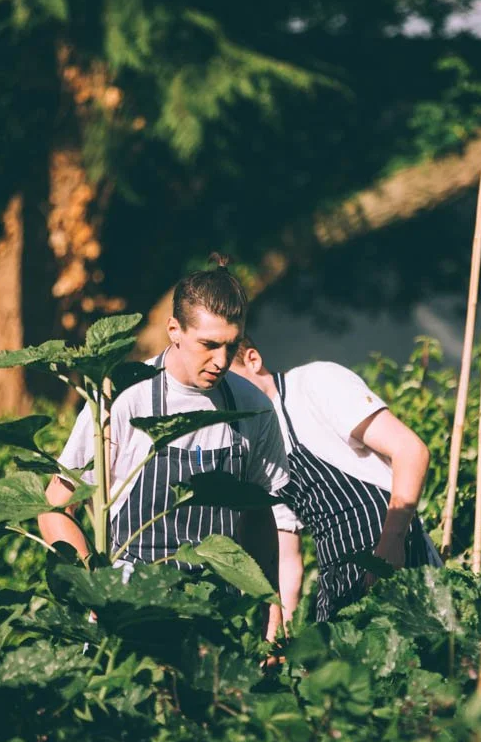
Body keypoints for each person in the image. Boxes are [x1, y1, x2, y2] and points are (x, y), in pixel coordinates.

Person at [39, 260, 289, 578]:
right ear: (174, 330)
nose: (221, 360)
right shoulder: (122, 398)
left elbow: (257, 515)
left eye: (232, 345)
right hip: (133, 596)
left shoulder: (253, 407)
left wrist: (267, 597)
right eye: (209, 345)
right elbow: (56, 506)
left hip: (217, 600)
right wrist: (94, 585)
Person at [229, 338, 442, 627]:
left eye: (231, 381)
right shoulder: (259, 445)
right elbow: (287, 558)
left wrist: (391, 545)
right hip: (337, 570)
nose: (230, 395)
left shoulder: (315, 383)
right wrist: (279, 634)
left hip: (391, 539)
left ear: (253, 360)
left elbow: (410, 451)